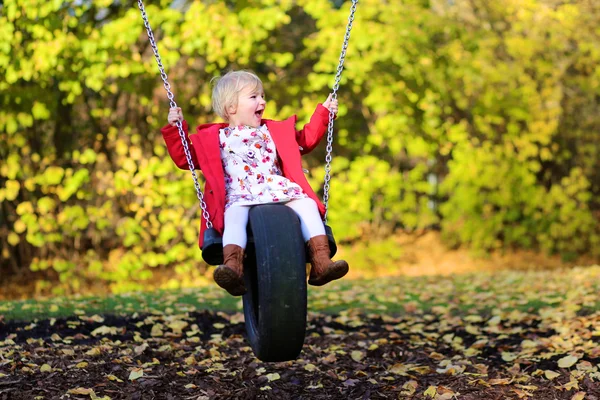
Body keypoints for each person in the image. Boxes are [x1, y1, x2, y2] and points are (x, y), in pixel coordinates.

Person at [161, 70, 349, 296]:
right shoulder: (217, 138)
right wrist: (176, 129)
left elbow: (306, 140)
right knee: (234, 217)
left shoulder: (271, 132)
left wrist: (324, 114)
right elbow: (185, 159)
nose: (263, 101)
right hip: (240, 194)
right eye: (254, 97)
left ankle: (321, 262)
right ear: (231, 108)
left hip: (278, 188)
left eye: (262, 96)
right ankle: (233, 268)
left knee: (307, 205)